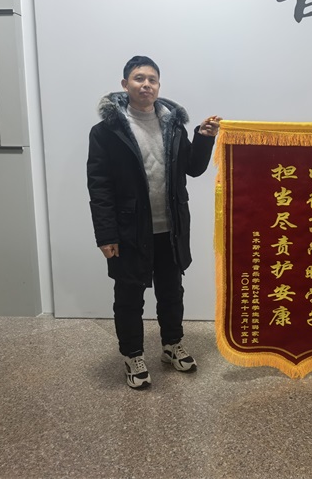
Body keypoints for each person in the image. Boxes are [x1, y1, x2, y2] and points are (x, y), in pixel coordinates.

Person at [87, 55, 221, 389]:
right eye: (139, 78)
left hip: (170, 227)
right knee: (129, 296)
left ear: (159, 85)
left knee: (172, 291)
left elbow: (193, 168)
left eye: (152, 79)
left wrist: (204, 137)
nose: (146, 85)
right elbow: (99, 186)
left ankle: (172, 345)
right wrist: (106, 234)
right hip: (129, 230)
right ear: (125, 84)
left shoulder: (173, 125)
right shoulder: (106, 132)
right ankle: (132, 355)